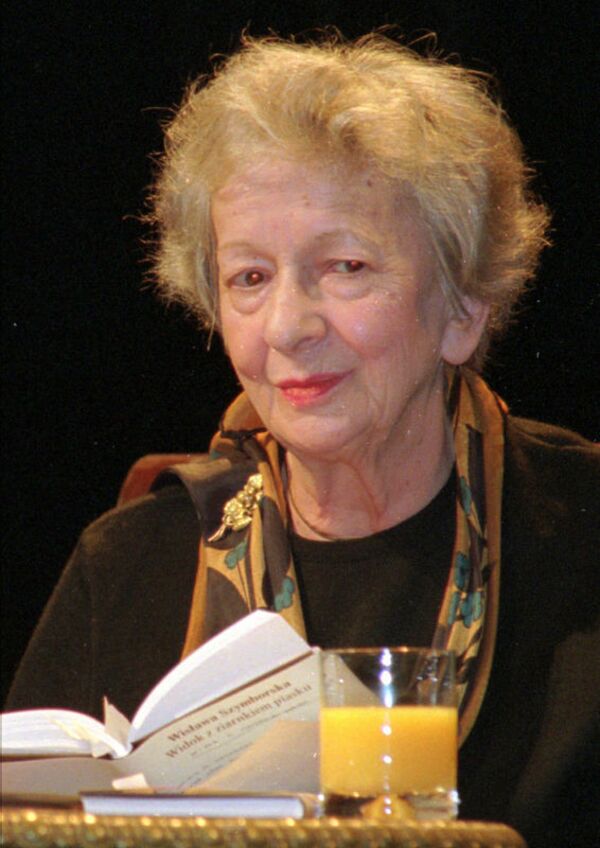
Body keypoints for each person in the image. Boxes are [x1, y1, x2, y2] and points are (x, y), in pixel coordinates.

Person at [6, 33, 599, 847]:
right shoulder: (131, 566)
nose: (287, 326)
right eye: (249, 277)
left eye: (346, 267)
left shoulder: (582, 535)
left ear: (463, 308)